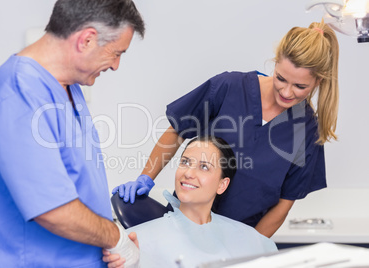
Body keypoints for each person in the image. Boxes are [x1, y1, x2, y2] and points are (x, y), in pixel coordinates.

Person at [113, 21, 339, 238]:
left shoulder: (307, 130)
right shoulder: (229, 87)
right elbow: (177, 131)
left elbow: (284, 203)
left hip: (240, 238)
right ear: (276, 62)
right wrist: (145, 178)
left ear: (318, 82)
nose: (287, 92)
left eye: (300, 87)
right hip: (182, 229)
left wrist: (247, 250)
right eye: (281, 78)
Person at [0, 0, 145, 267]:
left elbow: (80, 184)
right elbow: (53, 209)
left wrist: (112, 238)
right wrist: (115, 237)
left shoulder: (70, 87)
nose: (116, 65)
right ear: (86, 40)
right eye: (116, 53)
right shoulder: (18, 94)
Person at [104, 136, 278, 268]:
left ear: (222, 185)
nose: (188, 173)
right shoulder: (135, 242)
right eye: (185, 162)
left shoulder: (251, 240)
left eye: (204, 167)